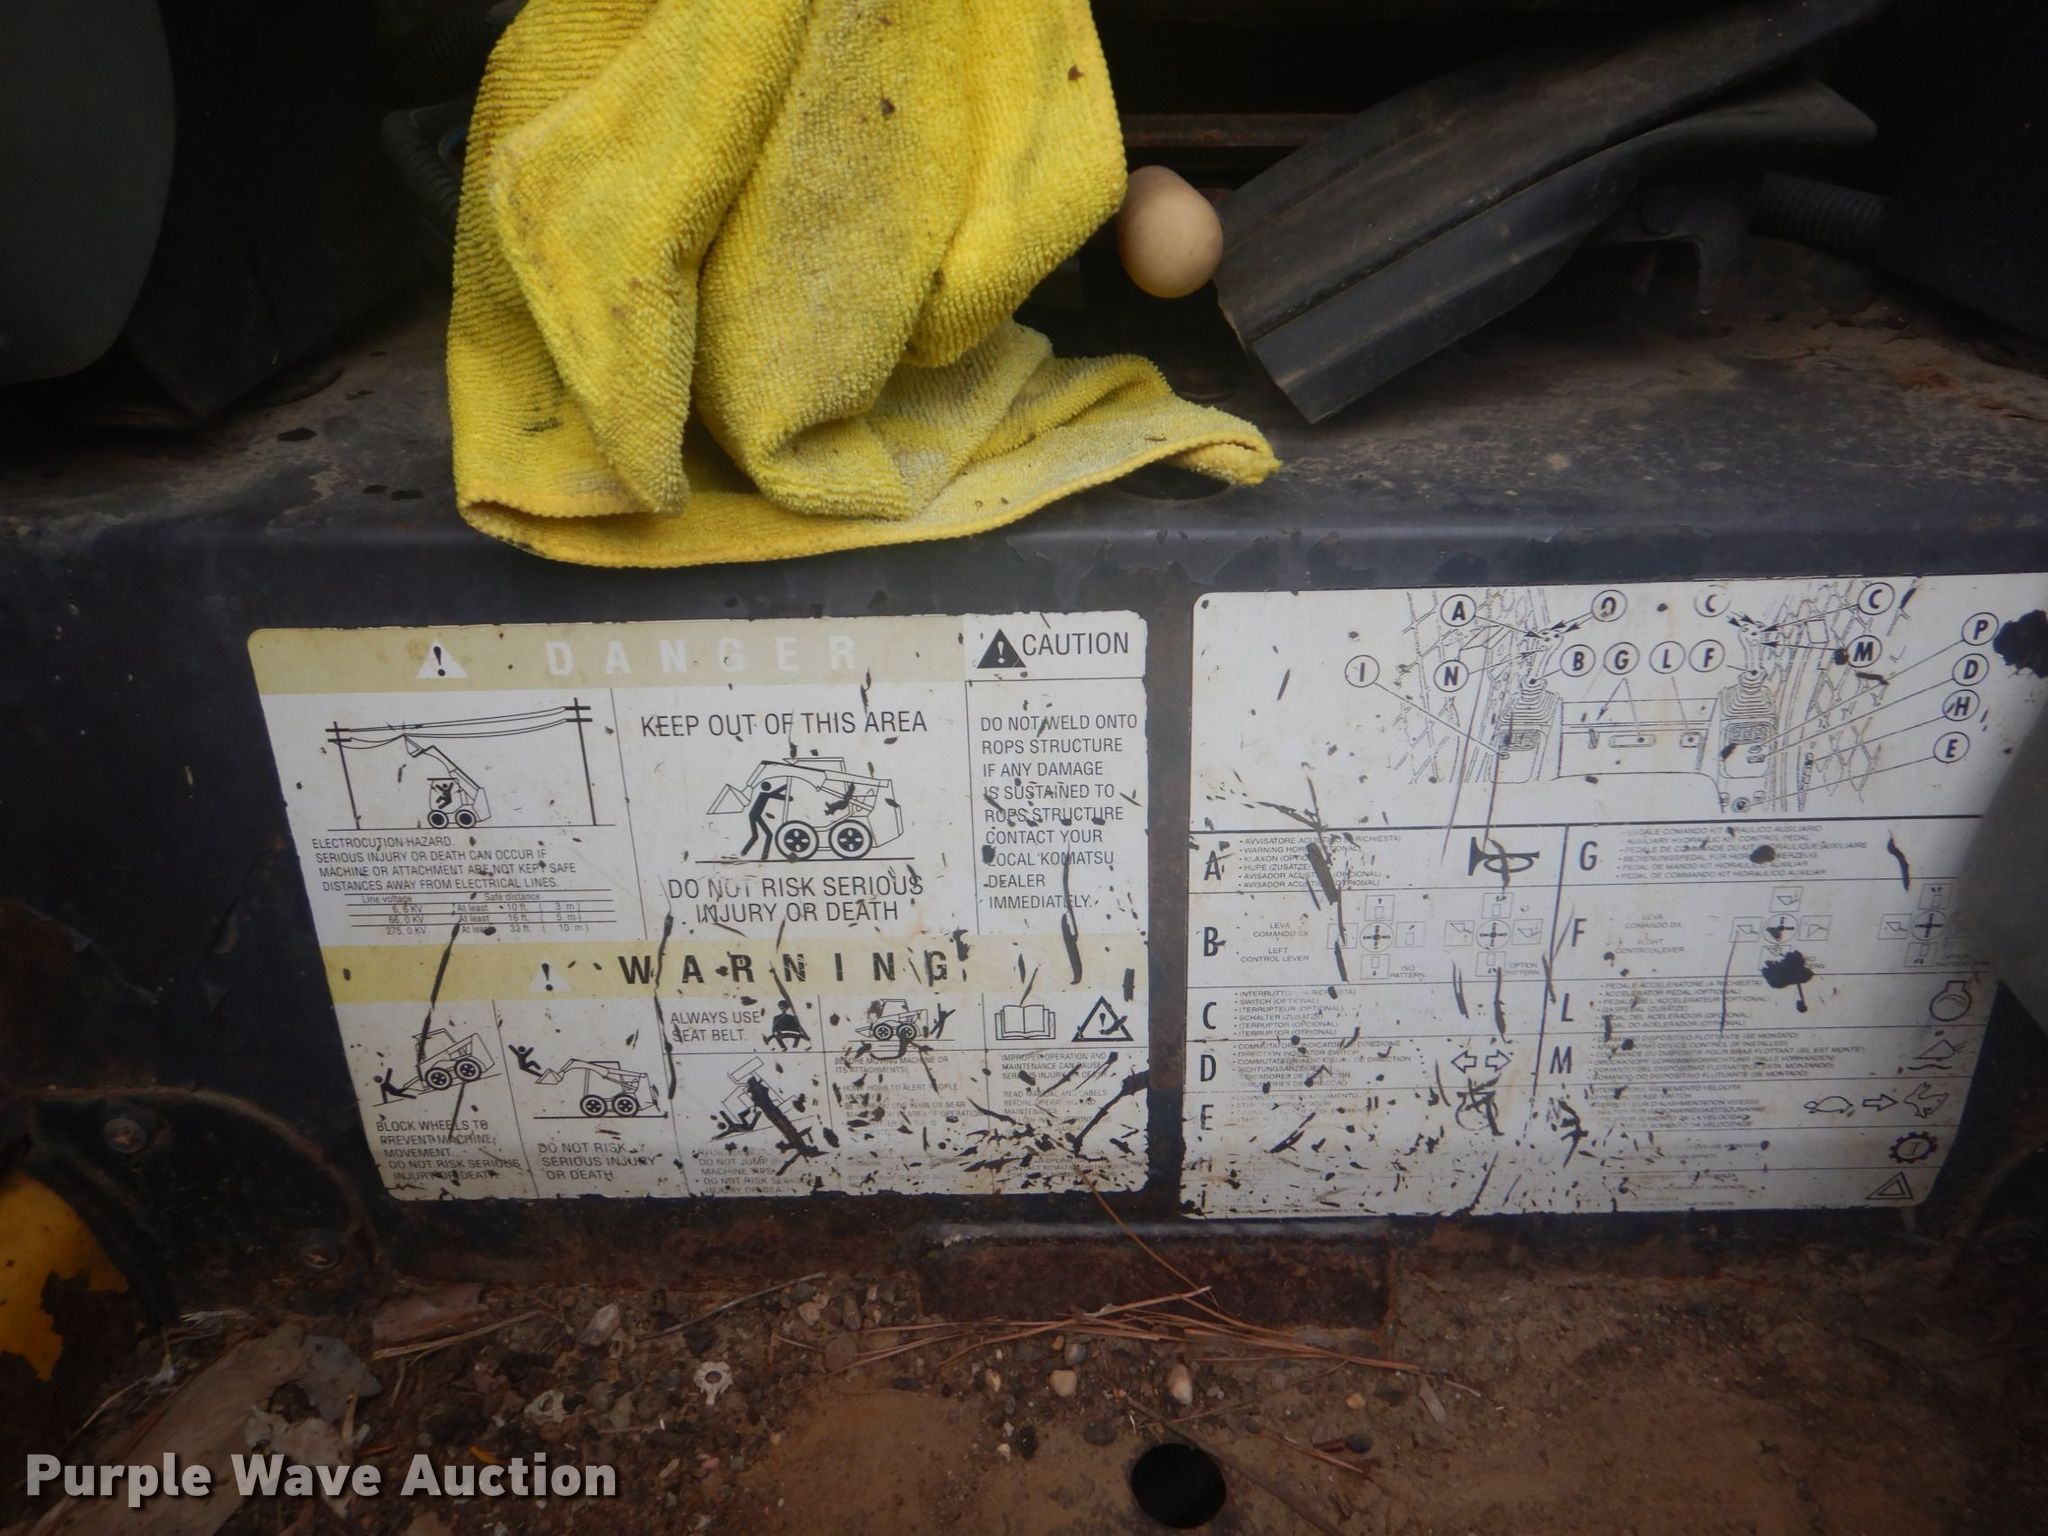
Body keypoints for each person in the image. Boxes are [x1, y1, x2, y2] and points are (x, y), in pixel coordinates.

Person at [741, 776, 789, 856]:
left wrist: (785, 788)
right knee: (763, 835)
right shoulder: (764, 794)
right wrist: (786, 790)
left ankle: (749, 852)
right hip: (754, 815)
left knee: (760, 835)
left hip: (755, 815)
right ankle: (759, 853)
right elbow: (775, 794)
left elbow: (774, 793)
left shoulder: (764, 794)